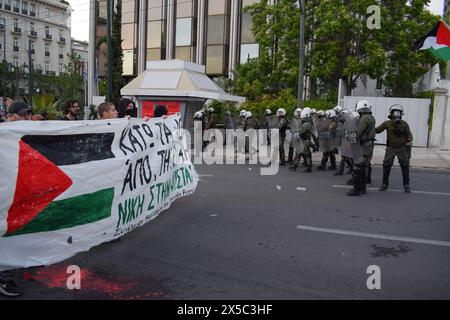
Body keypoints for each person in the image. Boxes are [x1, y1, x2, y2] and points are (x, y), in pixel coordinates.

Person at [376, 104, 413, 193]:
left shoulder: (404, 124)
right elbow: (377, 130)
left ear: (401, 114)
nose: (396, 114)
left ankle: (406, 185)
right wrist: (369, 129)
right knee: (386, 165)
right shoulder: (387, 123)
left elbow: (409, 134)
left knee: (405, 166)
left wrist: (409, 141)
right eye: (394, 112)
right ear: (391, 113)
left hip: (402, 148)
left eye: (398, 112)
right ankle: (384, 184)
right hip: (391, 148)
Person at [347, 100, 376, 196]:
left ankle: (356, 189)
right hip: (368, 145)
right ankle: (362, 188)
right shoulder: (370, 117)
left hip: (364, 146)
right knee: (363, 166)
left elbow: (358, 132)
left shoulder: (364, 119)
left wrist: (349, 139)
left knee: (358, 166)